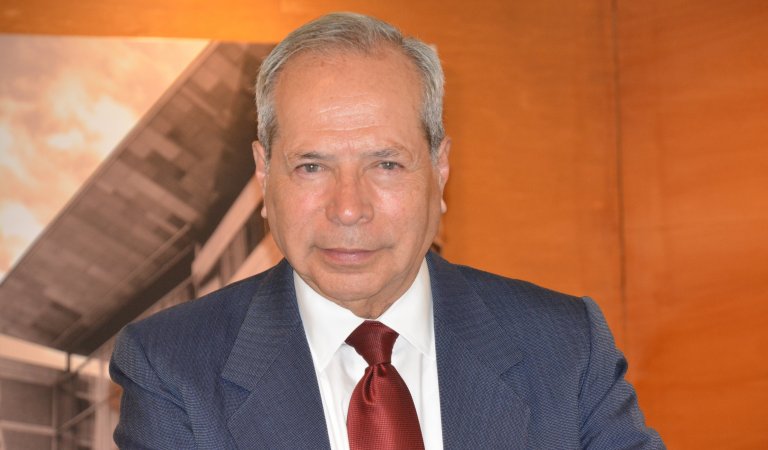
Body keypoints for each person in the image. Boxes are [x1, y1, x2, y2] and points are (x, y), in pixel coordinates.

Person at [110, 12, 664, 449]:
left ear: (440, 171)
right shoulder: (171, 366)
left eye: (387, 164)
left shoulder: (567, 348)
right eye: (312, 166)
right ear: (263, 174)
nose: (349, 209)